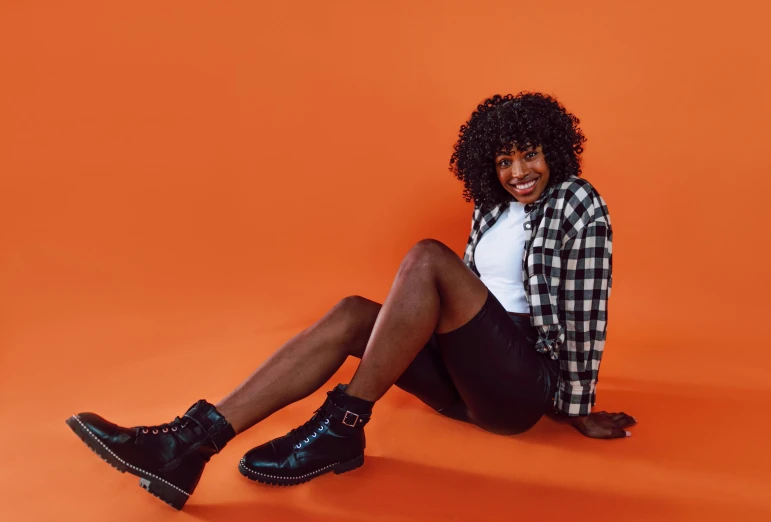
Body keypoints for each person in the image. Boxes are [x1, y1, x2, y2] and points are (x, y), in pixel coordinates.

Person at [66, 91, 636, 510]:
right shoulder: (491, 210)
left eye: (529, 156)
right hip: (468, 381)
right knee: (352, 313)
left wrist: (576, 407)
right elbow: (465, 306)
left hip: (517, 388)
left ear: (554, 150)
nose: (518, 173)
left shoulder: (577, 203)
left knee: (425, 256)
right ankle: (189, 444)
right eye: (504, 161)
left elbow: (586, 308)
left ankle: (341, 425)